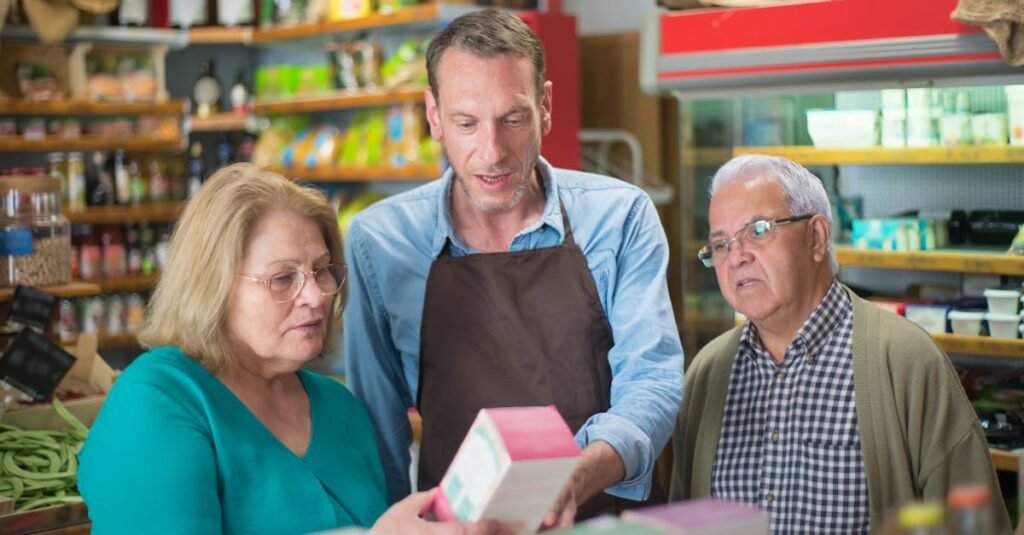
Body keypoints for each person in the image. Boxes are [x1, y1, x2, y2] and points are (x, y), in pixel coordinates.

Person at [343, 8, 684, 525]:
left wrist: (577, 474)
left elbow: (652, 383)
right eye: (466, 123)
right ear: (433, 116)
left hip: (603, 519)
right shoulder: (381, 243)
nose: (493, 152)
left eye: (514, 118)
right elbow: (377, 428)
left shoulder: (620, 217)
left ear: (545, 106)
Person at [78, 164, 505, 535]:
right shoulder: (158, 398)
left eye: (321, 271)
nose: (317, 295)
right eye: (283, 279)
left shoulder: (342, 409)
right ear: (212, 286)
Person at [668, 154, 1011, 534]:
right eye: (720, 244)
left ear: (816, 236)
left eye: (758, 230)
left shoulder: (905, 361)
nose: (736, 257)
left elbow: (972, 526)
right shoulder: (706, 374)